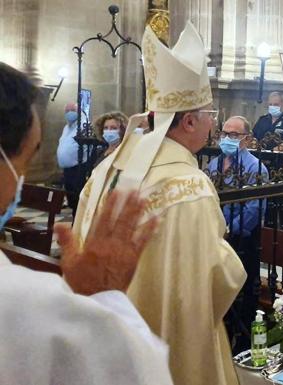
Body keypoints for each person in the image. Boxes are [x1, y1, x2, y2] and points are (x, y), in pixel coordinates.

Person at [74, 23, 246, 385]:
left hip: (106, 331)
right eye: (210, 117)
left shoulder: (110, 166)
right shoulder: (190, 186)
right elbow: (212, 277)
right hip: (167, 344)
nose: (212, 127)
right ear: (188, 121)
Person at [0, 62, 172, 385]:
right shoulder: (23, 304)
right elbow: (133, 371)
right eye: (26, 162)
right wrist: (103, 297)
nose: (21, 180)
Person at [205, 116, 268, 353]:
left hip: (242, 240)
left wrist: (229, 229)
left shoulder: (255, 167)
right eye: (224, 134)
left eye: (234, 135)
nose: (227, 139)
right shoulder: (214, 165)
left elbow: (254, 207)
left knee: (243, 292)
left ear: (246, 139)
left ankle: (242, 342)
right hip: (215, 238)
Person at [56, 102, 87, 217]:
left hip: (78, 168)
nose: (69, 113)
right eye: (67, 111)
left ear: (79, 112)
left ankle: (77, 219)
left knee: (77, 198)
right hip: (67, 170)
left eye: (72, 110)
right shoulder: (67, 127)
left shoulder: (83, 125)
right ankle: (75, 218)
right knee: (71, 198)